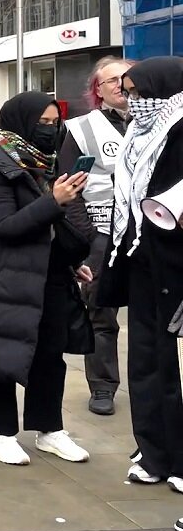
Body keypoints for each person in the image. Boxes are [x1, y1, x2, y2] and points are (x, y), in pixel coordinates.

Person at [0, 92, 93, 466]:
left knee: (49, 354)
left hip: (46, 275)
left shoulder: (42, 162)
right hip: (0, 279)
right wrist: (54, 200)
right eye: (42, 123)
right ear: (21, 122)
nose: (50, 129)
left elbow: (47, 226)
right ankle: (0, 433)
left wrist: (67, 259)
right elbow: (4, 226)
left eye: (54, 121)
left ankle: (50, 429)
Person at [97, 57, 183, 492]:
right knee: (148, 361)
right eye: (127, 92)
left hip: (175, 263)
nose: (132, 102)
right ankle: (155, 453)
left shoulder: (180, 128)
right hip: (141, 260)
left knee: (171, 364)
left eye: (138, 93)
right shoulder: (138, 133)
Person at [58, 56, 133, 416]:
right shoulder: (80, 130)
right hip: (102, 235)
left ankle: (154, 383)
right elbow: (69, 188)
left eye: (127, 78)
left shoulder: (159, 124)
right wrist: (87, 236)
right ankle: (102, 387)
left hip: (151, 234)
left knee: (155, 316)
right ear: (98, 91)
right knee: (101, 315)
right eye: (112, 81)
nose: (121, 85)